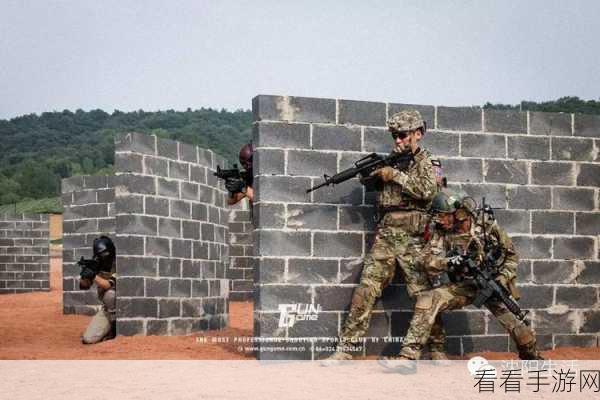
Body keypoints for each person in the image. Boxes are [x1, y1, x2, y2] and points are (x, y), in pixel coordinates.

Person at [323, 110, 444, 362]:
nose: (397, 141)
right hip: (386, 236)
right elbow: (374, 185)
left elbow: (427, 191)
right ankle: (346, 348)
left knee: (424, 294)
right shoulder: (390, 160)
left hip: (414, 238)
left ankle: (436, 348)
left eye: (402, 135)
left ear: (418, 134)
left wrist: (395, 175)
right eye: (394, 136)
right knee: (366, 290)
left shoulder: (428, 162)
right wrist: (372, 176)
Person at [395, 191, 543, 361]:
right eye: (438, 217)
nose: (439, 220)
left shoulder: (486, 226)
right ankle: (407, 356)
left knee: (519, 327)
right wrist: (449, 262)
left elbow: (512, 256)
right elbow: (426, 261)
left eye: (443, 216)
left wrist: (502, 278)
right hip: (465, 286)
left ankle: (532, 357)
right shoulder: (443, 232)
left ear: (458, 213)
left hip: (491, 285)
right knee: (427, 300)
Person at [79, 236, 117, 344]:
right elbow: (84, 286)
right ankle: (109, 328)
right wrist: (85, 275)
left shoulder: (119, 263)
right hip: (107, 310)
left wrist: (93, 275)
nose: (104, 257)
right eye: (101, 255)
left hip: (122, 308)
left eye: (105, 253)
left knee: (110, 295)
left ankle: (115, 331)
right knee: (88, 339)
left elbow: (108, 285)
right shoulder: (97, 264)